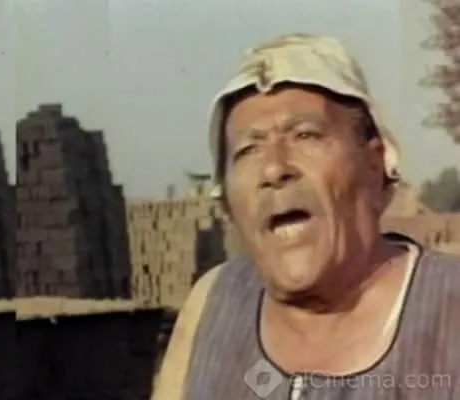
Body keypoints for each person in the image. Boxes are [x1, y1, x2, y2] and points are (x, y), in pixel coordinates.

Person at [151, 34, 460, 400]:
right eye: (248, 149)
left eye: (305, 136)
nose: (274, 169)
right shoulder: (212, 305)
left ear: (374, 166)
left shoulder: (448, 307)